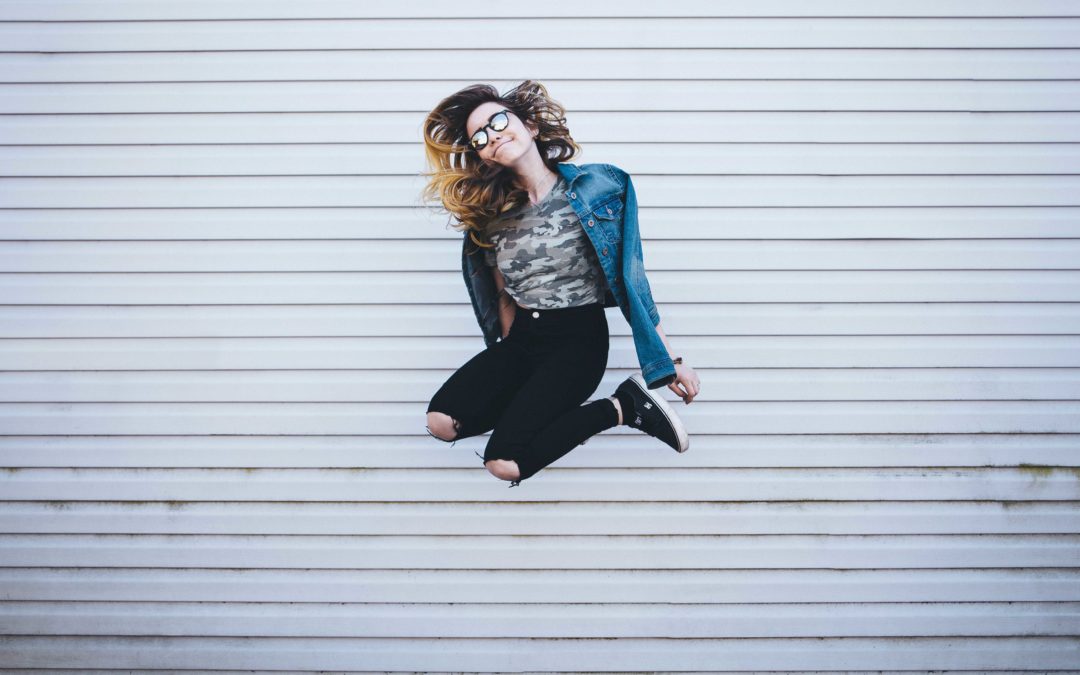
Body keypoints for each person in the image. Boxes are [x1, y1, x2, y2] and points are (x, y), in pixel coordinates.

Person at [419, 80, 701, 487]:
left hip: (577, 342)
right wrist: (504, 358)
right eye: (479, 137)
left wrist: (668, 361)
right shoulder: (489, 217)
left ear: (530, 126)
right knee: (442, 421)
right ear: (483, 156)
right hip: (524, 340)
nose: (492, 135)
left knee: (505, 464)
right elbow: (500, 294)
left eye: (498, 120)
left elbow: (632, 280)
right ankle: (545, 408)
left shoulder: (600, 188)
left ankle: (622, 407)